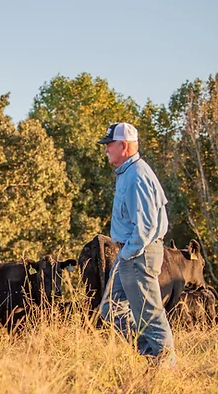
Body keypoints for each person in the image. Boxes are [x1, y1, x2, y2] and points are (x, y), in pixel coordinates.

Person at [97, 121, 177, 368]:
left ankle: (165, 366)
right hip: (130, 252)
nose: (106, 150)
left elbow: (145, 225)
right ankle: (151, 357)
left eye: (109, 145)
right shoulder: (128, 173)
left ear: (124, 146)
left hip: (137, 253)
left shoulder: (136, 176)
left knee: (149, 313)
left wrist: (127, 254)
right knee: (110, 310)